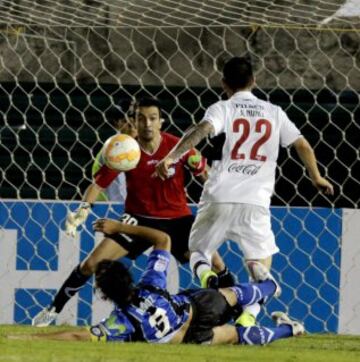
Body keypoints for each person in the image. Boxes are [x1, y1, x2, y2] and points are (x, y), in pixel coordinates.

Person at [32, 97, 235, 327]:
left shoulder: (180, 147)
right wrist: (84, 208)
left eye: (152, 118)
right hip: (137, 220)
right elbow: (97, 184)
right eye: (141, 119)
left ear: (161, 122)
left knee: (216, 265)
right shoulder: (126, 149)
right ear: (135, 122)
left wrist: (221, 203)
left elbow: (205, 175)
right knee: (90, 265)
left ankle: (241, 315)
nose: (147, 124)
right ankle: (52, 310)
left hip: (177, 220)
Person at [155, 57, 334, 298]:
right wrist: (317, 176)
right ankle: (249, 312)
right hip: (256, 199)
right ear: (254, 81)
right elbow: (302, 145)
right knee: (260, 259)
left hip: (219, 195)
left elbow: (202, 129)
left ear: (224, 84)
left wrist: (171, 157)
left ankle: (208, 276)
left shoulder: (222, 108)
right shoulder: (275, 112)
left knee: (197, 250)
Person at [20, 219, 304, 345]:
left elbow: (77, 336)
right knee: (230, 294)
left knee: (238, 338)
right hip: (197, 308)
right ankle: (268, 288)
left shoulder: (121, 323)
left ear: (102, 294)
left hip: (190, 339)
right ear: (128, 276)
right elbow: (163, 239)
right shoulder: (151, 283)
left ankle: (290, 330)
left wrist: (30, 338)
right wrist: (120, 227)